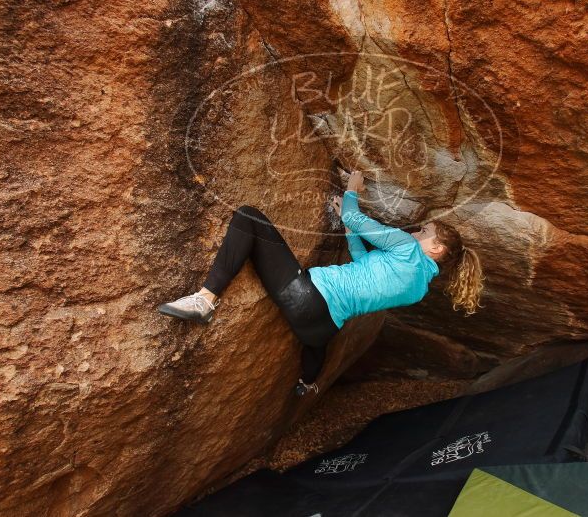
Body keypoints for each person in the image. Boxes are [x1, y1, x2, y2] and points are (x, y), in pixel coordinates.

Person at [157, 170, 485, 396]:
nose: (416, 232)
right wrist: (347, 229)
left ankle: (205, 300)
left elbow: (357, 217)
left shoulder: (407, 248)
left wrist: (353, 188)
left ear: (437, 248)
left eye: (423, 232)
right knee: (315, 348)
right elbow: (364, 266)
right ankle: (308, 382)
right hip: (322, 327)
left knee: (248, 216)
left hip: (308, 299)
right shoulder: (419, 290)